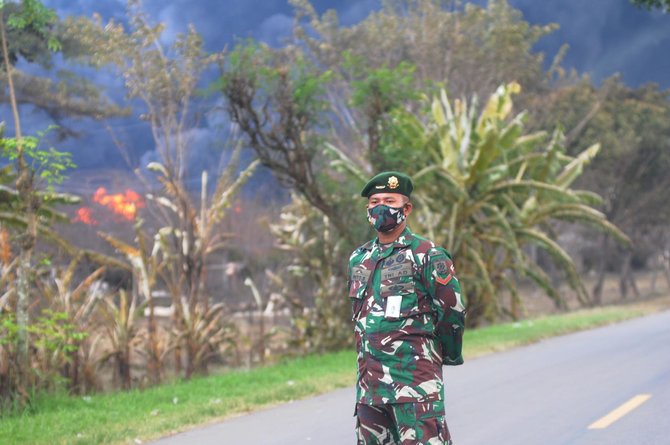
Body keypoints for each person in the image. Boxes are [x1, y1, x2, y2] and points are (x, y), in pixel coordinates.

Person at [348, 171, 466, 445]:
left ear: (406, 208)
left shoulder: (427, 254)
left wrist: (443, 355)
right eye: (374, 201)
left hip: (415, 387)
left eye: (389, 200)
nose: (380, 207)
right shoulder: (359, 258)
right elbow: (360, 320)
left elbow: (452, 312)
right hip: (370, 391)